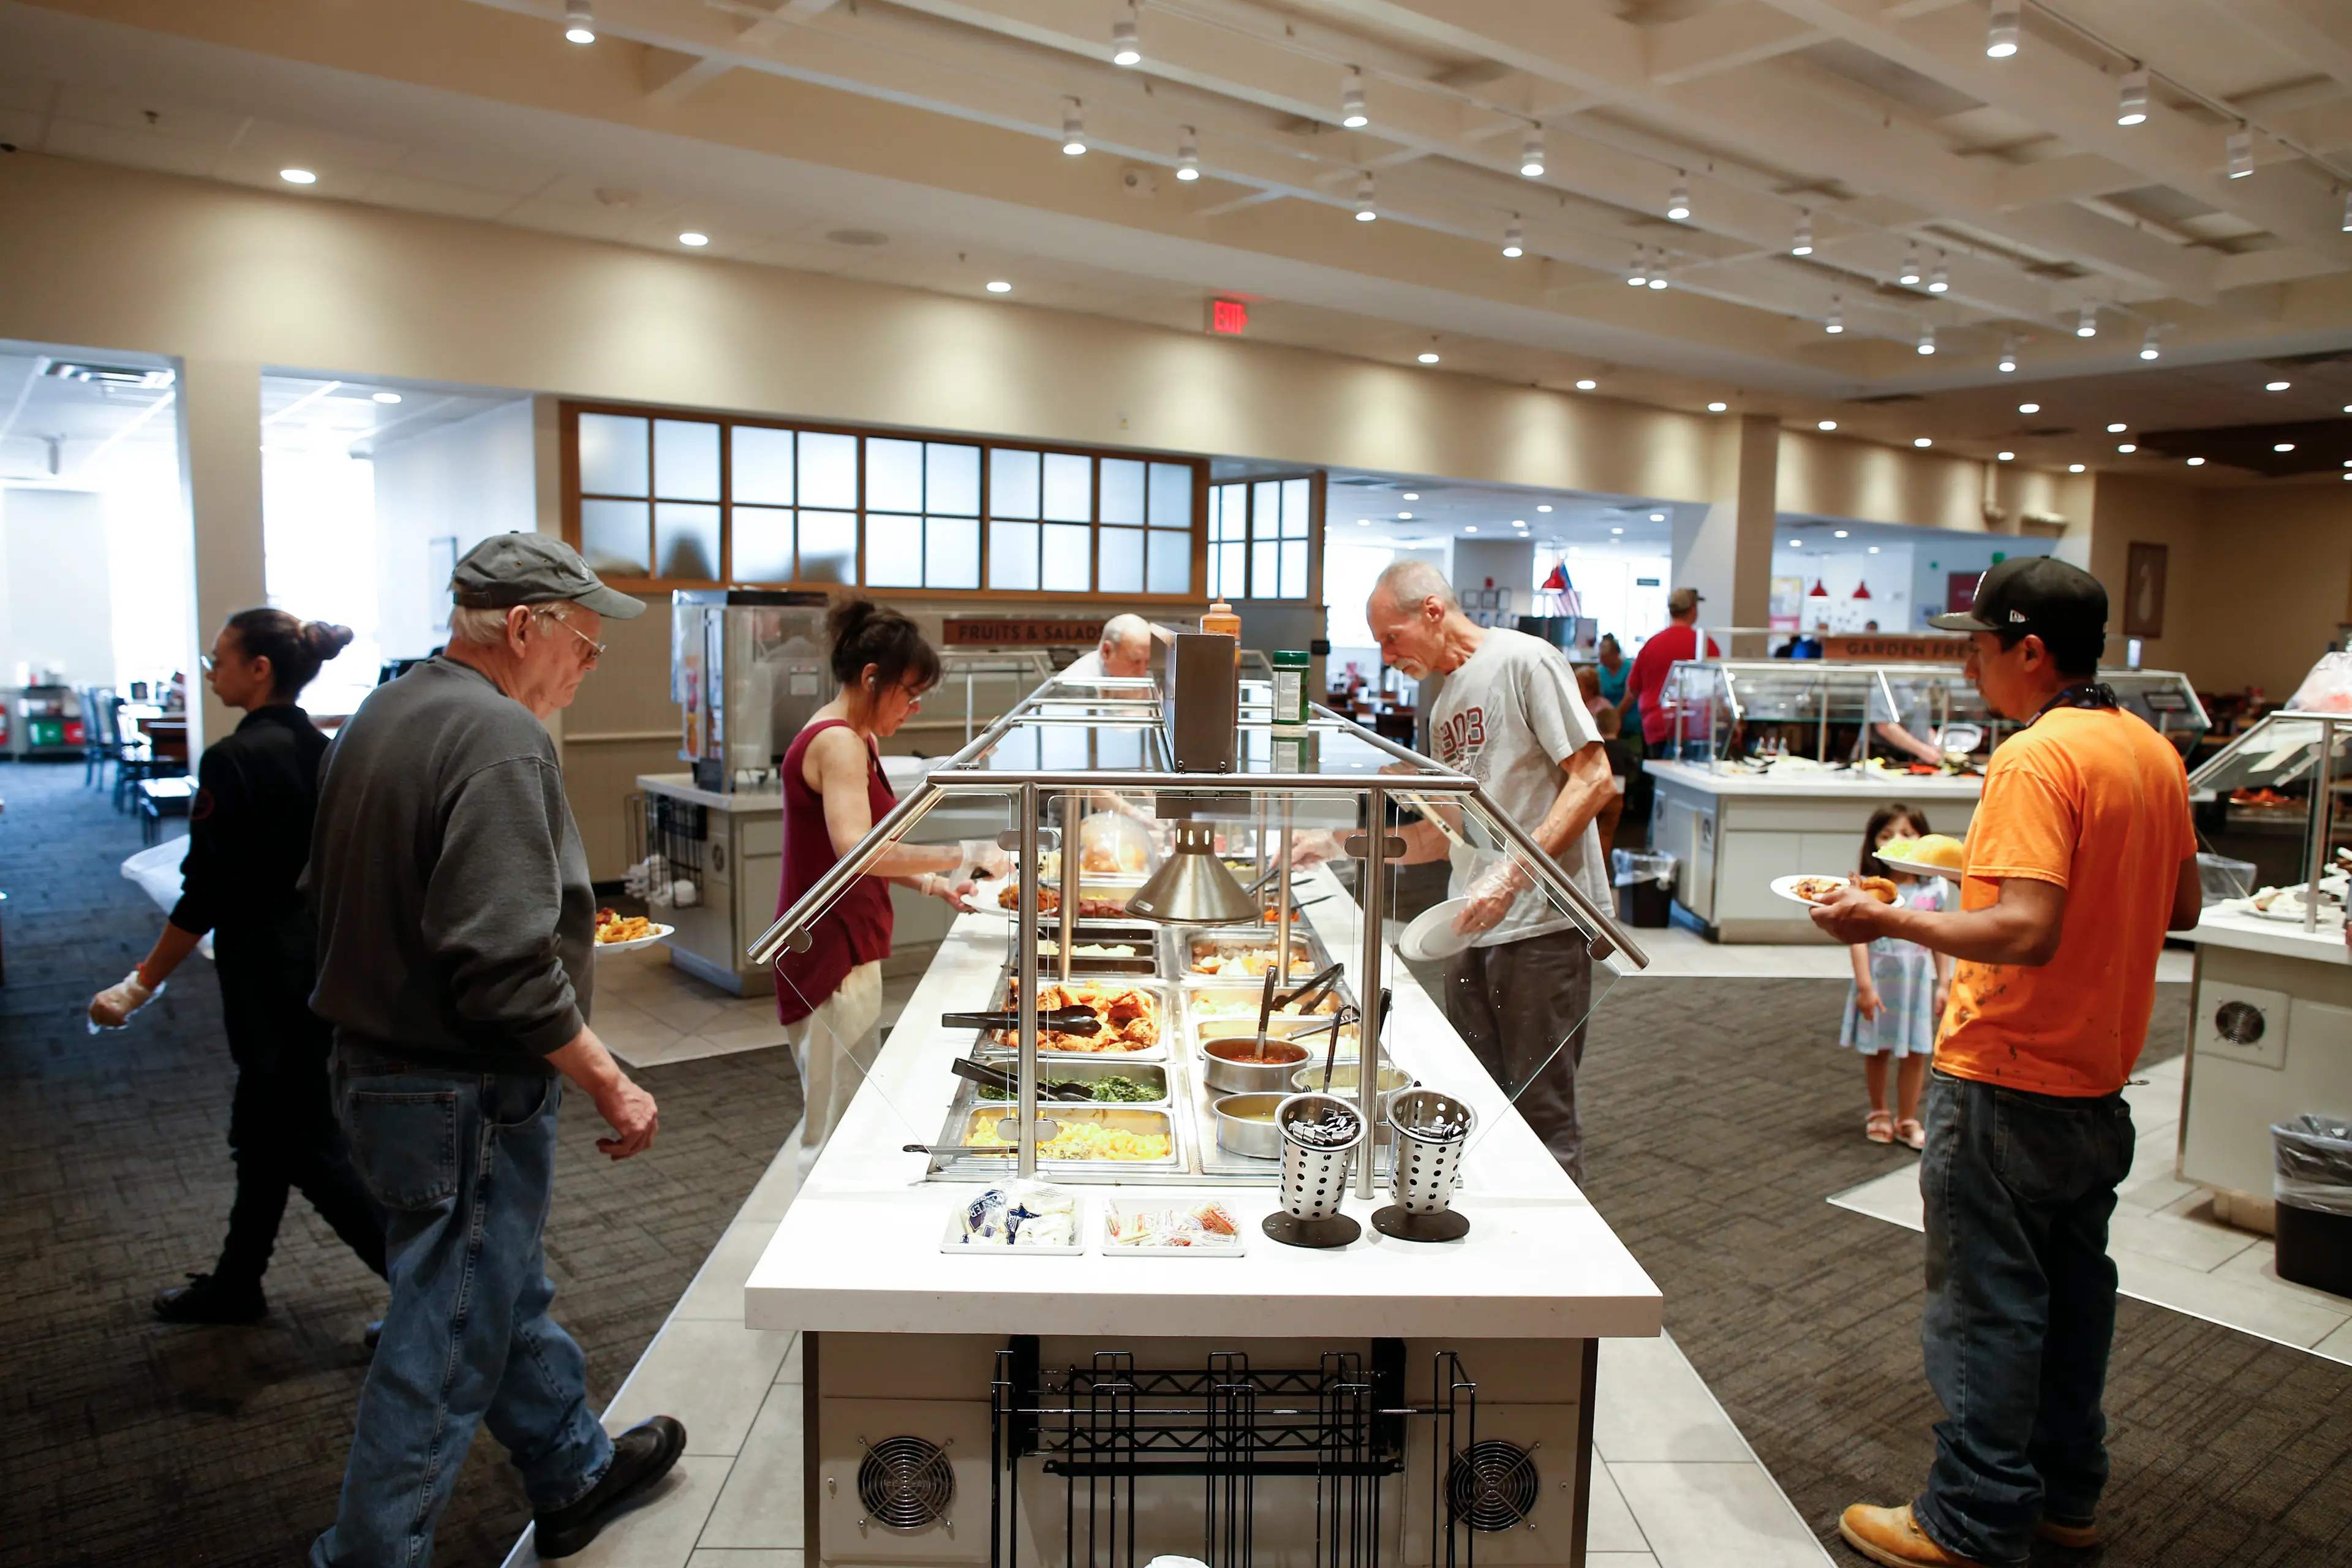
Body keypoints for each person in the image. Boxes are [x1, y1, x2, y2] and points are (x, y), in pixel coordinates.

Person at [1811, 556, 2202, 1568]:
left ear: (2030, 650)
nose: (1972, 663)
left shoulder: (2035, 757)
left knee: (1987, 1307)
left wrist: (1882, 913)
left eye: (1979, 646)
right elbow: (2183, 905)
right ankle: (2067, 1498)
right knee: (2074, 1304)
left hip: (2005, 1073)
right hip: (2099, 1075)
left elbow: (2025, 929)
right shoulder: (2150, 751)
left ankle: (1972, 1520)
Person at [304, 533, 681, 1566]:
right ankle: (373, 1553)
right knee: (446, 1338)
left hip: (369, 1066)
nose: (586, 669)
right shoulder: (502, 739)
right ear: (522, 628)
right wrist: (612, 1082)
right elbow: (502, 966)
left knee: (488, 1283)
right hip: (457, 1084)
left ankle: (574, 1468)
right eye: (585, 647)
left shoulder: (381, 711)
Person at [89, 609, 386, 1326]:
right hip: (315, 967)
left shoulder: (232, 760)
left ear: (260, 669)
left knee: (309, 1149)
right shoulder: (325, 751)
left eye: (219, 657)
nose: (209, 667)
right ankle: (236, 1281)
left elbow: (210, 889)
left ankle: (433, 1294)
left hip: (266, 982)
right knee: (264, 1134)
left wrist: (141, 982)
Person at [1298, 560, 1615, 1180]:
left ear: (1434, 611)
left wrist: (1512, 875)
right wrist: (1334, 844)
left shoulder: (1526, 661)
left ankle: (1554, 1262)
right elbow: (1444, 838)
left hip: (1540, 927)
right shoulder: (1446, 707)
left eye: (1392, 636)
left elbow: (1593, 777)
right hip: (1468, 926)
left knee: (1541, 1112)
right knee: (1480, 1100)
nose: (1387, 655)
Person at [778, 598, 1001, 1174]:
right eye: (909, 692)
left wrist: (934, 884)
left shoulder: (860, 739)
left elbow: (871, 843)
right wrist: (966, 853)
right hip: (827, 948)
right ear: (871, 678)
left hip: (853, 937)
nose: (913, 708)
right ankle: (819, 1235)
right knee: (833, 1121)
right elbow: (860, 853)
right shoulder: (838, 742)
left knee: (853, 1100)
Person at [1838, 804, 1950, 1151]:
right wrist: (1866, 987)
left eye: (1906, 834)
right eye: (1885, 836)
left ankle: (1907, 1118)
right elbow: (1858, 939)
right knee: (1878, 1050)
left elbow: (1941, 937)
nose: (1895, 842)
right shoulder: (1869, 890)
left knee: (1916, 1052)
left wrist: (1945, 982)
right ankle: (1879, 1112)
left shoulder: (1935, 889)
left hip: (1916, 983)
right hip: (1880, 978)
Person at [1618, 587, 1721, 758]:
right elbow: (1715, 687)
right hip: (1694, 727)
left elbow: (1633, 690)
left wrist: (1617, 717)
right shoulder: (1704, 644)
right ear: (1693, 610)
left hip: (1656, 726)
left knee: (1660, 781)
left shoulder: (1651, 645)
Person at [1061, 613, 1153, 680]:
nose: (1142, 672)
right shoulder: (1075, 682)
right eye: (1135, 662)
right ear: (1107, 651)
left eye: (1147, 662)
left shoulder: (1147, 678)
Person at [1593, 633, 1629, 709]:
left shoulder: (1629, 668)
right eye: (1601, 657)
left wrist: (1617, 714)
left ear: (1615, 654)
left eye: (1605, 657)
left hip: (1630, 716)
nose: (1601, 660)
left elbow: (1630, 696)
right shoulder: (1600, 671)